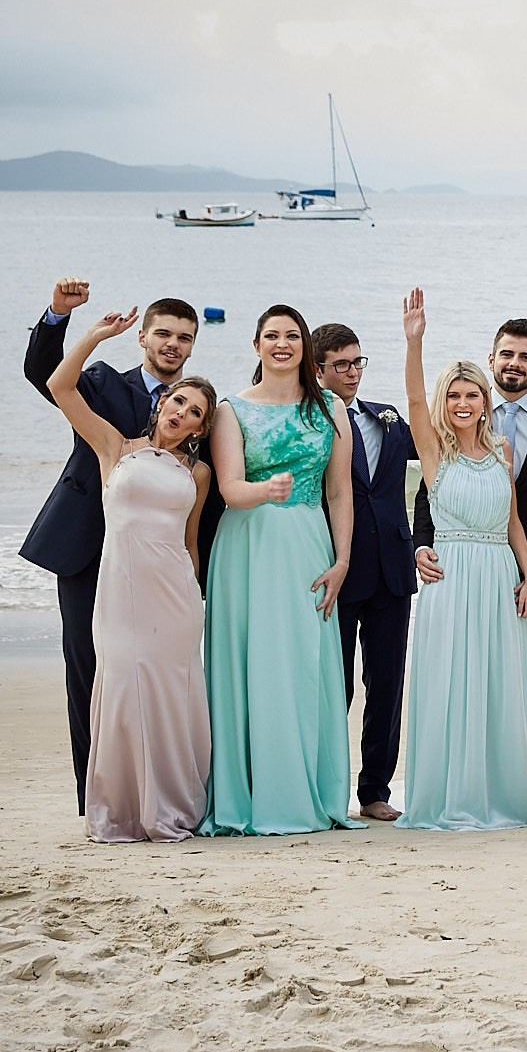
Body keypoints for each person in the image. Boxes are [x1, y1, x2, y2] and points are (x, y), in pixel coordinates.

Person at [23, 278, 203, 815]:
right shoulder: (103, 381)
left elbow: (204, 489)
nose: (173, 344)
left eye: (185, 337)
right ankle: (96, 795)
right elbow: (47, 378)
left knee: (157, 672)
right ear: (143, 338)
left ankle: (160, 785)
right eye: (164, 334)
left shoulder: (194, 407)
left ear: (193, 346)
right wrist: (61, 316)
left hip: (158, 562)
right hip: (86, 543)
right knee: (89, 668)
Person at [202, 304, 362, 836]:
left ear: (306, 349)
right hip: (247, 546)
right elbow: (227, 488)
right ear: (256, 346)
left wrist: (341, 560)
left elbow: (340, 491)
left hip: (307, 545)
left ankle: (305, 792)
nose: (282, 344)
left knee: (300, 666)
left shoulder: (331, 410)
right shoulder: (231, 410)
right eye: (271, 336)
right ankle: (249, 794)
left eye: (291, 336)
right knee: (250, 664)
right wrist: (263, 490)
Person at [394, 289, 527, 831]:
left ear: (486, 400)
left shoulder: (502, 453)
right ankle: (450, 796)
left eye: (473, 395)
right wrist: (415, 341)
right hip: (453, 577)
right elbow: (414, 402)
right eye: (455, 395)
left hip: (500, 578)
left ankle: (499, 793)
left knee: (499, 687)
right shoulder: (436, 451)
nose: (464, 403)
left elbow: (512, 522)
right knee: (451, 685)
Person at [415, 319, 527, 757]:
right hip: (459, 571)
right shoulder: (443, 438)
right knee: (463, 678)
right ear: (492, 361)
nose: (514, 363)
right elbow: (426, 497)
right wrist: (421, 545)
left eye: (525, 356)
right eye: (507, 354)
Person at [312, 322, 417, 823]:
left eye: (358, 362)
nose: (352, 372)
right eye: (341, 364)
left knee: (387, 685)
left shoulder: (387, 419)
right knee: (334, 684)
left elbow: (438, 456)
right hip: (333, 569)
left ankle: (374, 789)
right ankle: (327, 786)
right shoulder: (311, 422)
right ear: (318, 370)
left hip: (393, 570)